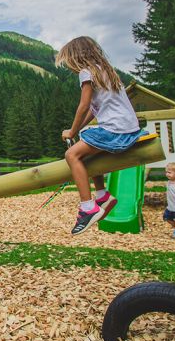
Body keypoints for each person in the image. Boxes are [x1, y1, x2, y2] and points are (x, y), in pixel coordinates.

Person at [55, 36, 144, 235]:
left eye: (68, 62)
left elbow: (84, 105)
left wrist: (71, 131)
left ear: (76, 57)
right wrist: (77, 131)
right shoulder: (105, 72)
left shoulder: (86, 73)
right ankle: (102, 195)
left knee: (72, 155)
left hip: (115, 130)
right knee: (88, 139)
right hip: (128, 129)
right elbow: (94, 110)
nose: (69, 67)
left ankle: (88, 207)